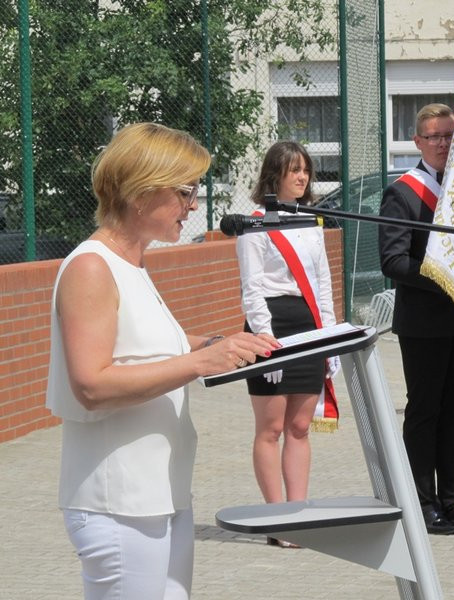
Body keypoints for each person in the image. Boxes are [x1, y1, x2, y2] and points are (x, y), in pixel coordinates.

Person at [46, 122, 280, 599]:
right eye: (186, 191)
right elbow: (90, 383)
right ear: (142, 191)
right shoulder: (92, 266)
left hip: (160, 493)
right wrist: (199, 362)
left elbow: (140, 345)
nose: (193, 206)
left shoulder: (132, 262)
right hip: (120, 503)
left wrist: (216, 345)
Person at [378, 103, 454, 535]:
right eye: (434, 137)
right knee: (425, 412)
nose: (443, 143)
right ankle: (422, 502)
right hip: (423, 323)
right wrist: (447, 281)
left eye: (448, 136)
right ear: (418, 142)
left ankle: (453, 499)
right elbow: (393, 261)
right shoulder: (403, 193)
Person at [236, 141, 339, 548]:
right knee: (271, 428)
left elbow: (324, 282)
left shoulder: (311, 221)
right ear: (274, 174)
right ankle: (276, 519)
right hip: (272, 326)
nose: (302, 177)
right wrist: (265, 338)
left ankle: (298, 513)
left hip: (308, 323)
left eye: (306, 171)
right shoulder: (254, 223)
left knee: (299, 426)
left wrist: (329, 336)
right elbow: (252, 287)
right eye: (294, 170)